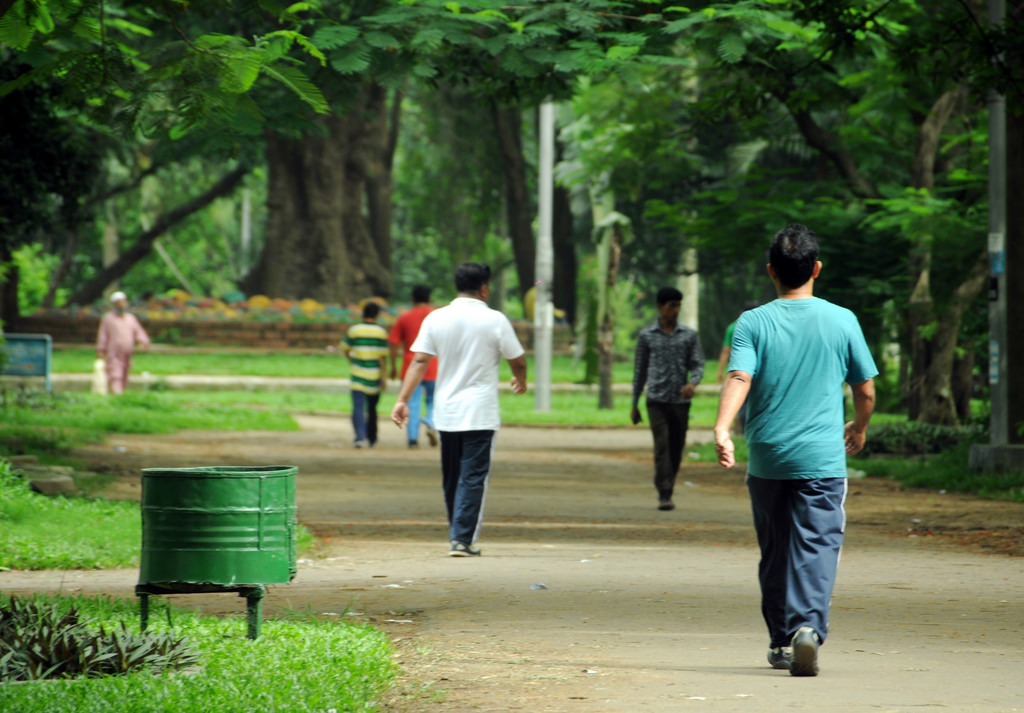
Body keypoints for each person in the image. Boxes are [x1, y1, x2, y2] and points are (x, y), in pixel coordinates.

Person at [713, 224, 877, 677]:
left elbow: (739, 377)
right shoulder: (842, 319)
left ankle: (780, 640)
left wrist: (723, 428)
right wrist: (860, 429)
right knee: (817, 544)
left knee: (776, 549)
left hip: (768, 457)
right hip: (821, 459)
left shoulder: (752, 322)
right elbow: (864, 389)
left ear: (771, 272)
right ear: (816, 269)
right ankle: (806, 628)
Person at [390, 262, 527, 557]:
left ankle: (458, 533)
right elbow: (517, 359)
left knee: (452, 476)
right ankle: (462, 539)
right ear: (485, 288)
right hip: (480, 412)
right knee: (473, 476)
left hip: (446, 412)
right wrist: (521, 378)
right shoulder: (495, 319)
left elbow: (418, 361)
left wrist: (402, 400)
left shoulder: (437, 318)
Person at [630, 286, 705, 511]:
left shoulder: (689, 336)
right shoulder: (647, 336)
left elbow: (698, 363)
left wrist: (693, 383)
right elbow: (639, 370)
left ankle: (668, 483)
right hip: (656, 399)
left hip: (680, 401)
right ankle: (665, 492)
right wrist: (634, 403)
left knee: (676, 447)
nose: (676, 310)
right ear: (660, 307)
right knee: (661, 446)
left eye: (678, 305)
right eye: (672, 305)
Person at [388, 285, 439, 449]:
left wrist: (393, 365)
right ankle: (431, 421)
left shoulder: (405, 317)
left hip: (411, 366)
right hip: (434, 365)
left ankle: (412, 439)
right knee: (434, 400)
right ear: (430, 298)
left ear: (412, 299)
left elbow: (394, 342)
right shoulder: (436, 316)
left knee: (412, 403)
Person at [342, 302, 389, 448]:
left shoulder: (354, 330)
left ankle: (359, 437)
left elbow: (345, 349)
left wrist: (352, 361)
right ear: (377, 315)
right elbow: (382, 357)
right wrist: (384, 376)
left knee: (358, 407)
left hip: (357, 374)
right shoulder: (381, 332)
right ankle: (372, 437)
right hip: (374, 375)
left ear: (363, 314)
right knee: (372, 408)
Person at [715, 301, 759, 435]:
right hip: (758, 371)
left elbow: (726, 350)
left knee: (738, 403)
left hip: (737, 371)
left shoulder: (734, 327)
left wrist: (720, 370)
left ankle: (739, 432)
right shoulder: (763, 326)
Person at [96, 291, 150, 395]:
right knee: (115, 371)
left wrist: (143, 341)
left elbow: (138, 331)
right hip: (114, 351)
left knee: (125, 371)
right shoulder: (108, 318)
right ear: (114, 305)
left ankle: (121, 392)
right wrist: (101, 349)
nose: (121, 305)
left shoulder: (130, 318)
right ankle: (117, 393)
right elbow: (103, 334)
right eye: (118, 303)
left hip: (127, 352)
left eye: (123, 302)